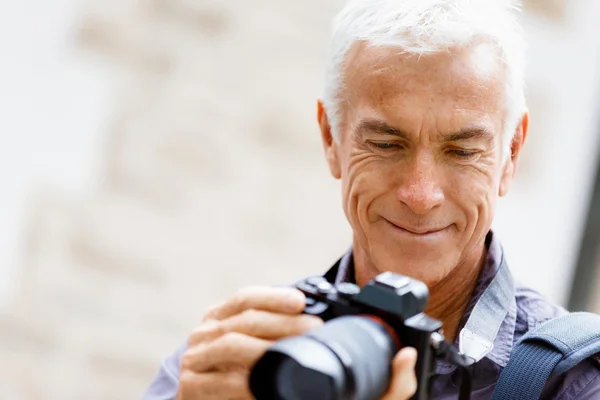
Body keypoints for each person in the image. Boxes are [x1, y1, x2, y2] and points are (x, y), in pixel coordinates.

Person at [143, 0, 600, 399]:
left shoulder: (574, 384)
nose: (421, 195)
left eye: (462, 151)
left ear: (511, 153)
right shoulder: (242, 360)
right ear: (330, 138)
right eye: (385, 143)